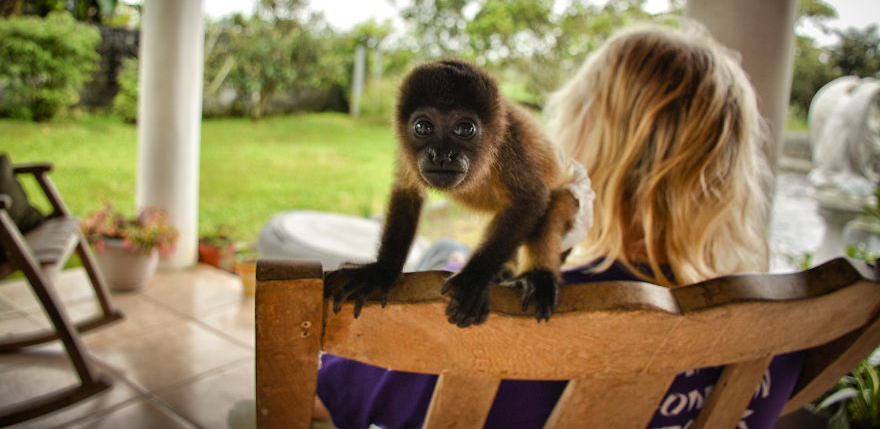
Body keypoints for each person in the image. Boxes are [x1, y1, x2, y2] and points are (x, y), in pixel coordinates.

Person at [314, 23, 803, 429]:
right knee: (444, 250)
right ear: (732, 169)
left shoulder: (500, 326)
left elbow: (322, 394)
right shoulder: (778, 338)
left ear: (586, 133)